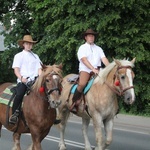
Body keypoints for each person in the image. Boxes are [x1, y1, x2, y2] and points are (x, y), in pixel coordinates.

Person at [70, 29, 110, 111]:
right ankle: (74, 102)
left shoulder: (99, 48)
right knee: (82, 84)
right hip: (86, 70)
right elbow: (84, 60)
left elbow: (104, 59)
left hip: (99, 70)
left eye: (92, 36)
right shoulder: (82, 48)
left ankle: (110, 105)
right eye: (89, 36)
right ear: (86, 37)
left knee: (109, 83)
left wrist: (110, 67)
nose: (91, 37)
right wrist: (92, 68)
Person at [9, 35, 42, 124]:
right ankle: (14, 115)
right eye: (27, 43)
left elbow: (39, 69)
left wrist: (40, 78)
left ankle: (51, 115)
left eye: (30, 44)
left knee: (47, 93)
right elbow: (16, 70)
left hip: (36, 81)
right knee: (19, 94)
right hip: (24, 81)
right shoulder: (18, 56)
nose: (29, 45)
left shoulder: (35, 56)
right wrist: (21, 78)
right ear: (23, 44)